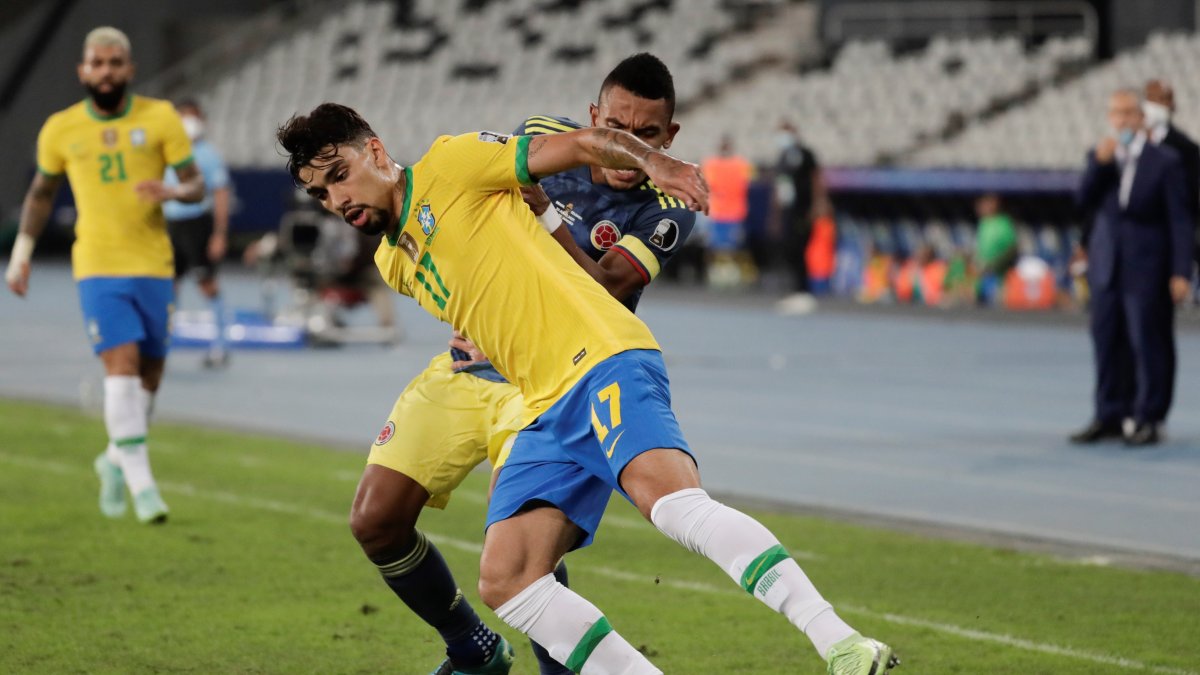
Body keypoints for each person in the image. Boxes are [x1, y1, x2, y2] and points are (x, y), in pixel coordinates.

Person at [279, 103, 897, 674]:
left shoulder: (453, 162)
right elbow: (503, 289)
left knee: (675, 506)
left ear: (378, 153)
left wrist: (654, 161)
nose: (335, 199)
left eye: (339, 175)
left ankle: (841, 641)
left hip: (603, 358)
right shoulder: (393, 261)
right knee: (508, 580)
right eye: (319, 191)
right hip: (544, 403)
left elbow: (580, 143)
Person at [346, 54, 697, 675]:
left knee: (526, 558)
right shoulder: (542, 137)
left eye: (647, 137)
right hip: (466, 367)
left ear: (669, 138)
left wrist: (546, 216)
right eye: (618, 128)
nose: (629, 148)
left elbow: (607, 289)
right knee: (376, 520)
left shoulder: (666, 204)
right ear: (596, 118)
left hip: (552, 381)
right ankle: (471, 648)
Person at [4, 27, 204, 522]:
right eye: (98, 63)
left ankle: (114, 459)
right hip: (96, 264)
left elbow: (196, 185)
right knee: (121, 366)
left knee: (150, 376)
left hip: (154, 264)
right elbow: (41, 195)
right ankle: (145, 489)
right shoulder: (60, 128)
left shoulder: (160, 118)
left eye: (116, 63)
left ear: (129, 69)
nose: (107, 71)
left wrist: (173, 193)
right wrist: (22, 253)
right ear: (83, 71)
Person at [1070, 89, 1191, 447]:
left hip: (1148, 266)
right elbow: (1082, 202)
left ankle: (1148, 416)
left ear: (1141, 117)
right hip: (1107, 264)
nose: (1120, 120)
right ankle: (1109, 412)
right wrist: (1099, 165)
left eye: (1126, 113)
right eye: (1114, 113)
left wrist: (1181, 270)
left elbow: (1180, 220)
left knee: (1148, 342)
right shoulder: (1100, 156)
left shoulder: (1165, 161)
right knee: (1106, 341)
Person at [163, 99, 233, 368]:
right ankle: (162, 345)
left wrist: (219, 233)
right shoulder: (168, 152)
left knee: (207, 284)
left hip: (197, 224)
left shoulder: (208, 154)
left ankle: (221, 346)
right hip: (171, 224)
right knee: (169, 286)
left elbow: (221, 193)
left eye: (192, 117)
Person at [1143, 79, 1200, 305]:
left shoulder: (1186, 148)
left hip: (1170, 229)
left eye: (1162, 99)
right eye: (1152, 98)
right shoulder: (1133, 143)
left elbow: (1192, 197)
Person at [773, 122, 827, 315]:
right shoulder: (782, 158)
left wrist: (817, 205)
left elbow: (815, 179)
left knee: (800, 249)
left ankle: (804, 292)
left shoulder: (805, 154)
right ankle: (796, 291)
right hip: (789, 210)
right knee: (790, 250)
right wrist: (777, 215)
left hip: (803, 210)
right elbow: (780, 187)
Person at [701, 135, 755, 288]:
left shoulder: (741, 164)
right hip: (717, 213)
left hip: (735, 213)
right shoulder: (711, 164)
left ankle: (735, 275)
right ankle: (716, 273)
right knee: (715, 247)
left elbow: (747, 185)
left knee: (734, 247)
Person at [973, 192, 1017, 306]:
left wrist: (992, 265)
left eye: (985, 203)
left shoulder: (1003, 223)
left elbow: (1011, 249)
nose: (981, 206)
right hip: (982, 279)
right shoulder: (983, 223)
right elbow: (982, 250)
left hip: (1000, 279)